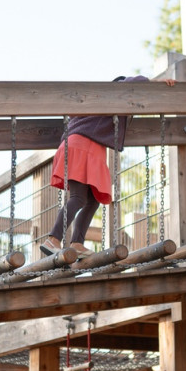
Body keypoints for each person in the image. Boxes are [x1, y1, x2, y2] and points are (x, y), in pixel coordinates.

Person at [41, 75, 176, 259]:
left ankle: (77, 243)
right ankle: (53, 239)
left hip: (80, 146)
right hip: (83, 147)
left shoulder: (95, 105)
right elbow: (132, 82)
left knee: (92, 200)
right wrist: (155, 82)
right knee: (78, 198)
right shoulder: (115, 92)